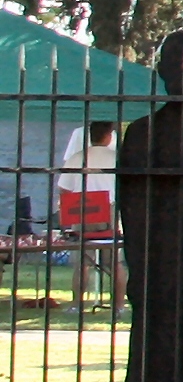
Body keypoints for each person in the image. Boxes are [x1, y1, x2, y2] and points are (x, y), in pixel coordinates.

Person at [56, 120, 120, 310]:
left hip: (82, 211)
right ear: (109, 136)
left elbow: (64, 189)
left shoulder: (77, 158)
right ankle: (119, 306)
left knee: (83, 262)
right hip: (109, 211)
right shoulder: (118, 159)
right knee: (114, 263)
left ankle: (77, 304)